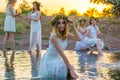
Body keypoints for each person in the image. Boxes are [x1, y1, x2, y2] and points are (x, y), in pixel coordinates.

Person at [38, 14, 80, 79]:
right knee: (69, 69)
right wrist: (70, 68)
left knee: (70, 70)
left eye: (63, 23)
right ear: (56, 25)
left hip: (58, 59)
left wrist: (73, 26)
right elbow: (62, 54)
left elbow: (78, 39)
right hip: (50, 61)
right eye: (59, 23)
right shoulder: (53, 37)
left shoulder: (66, 34)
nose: (61, 25)